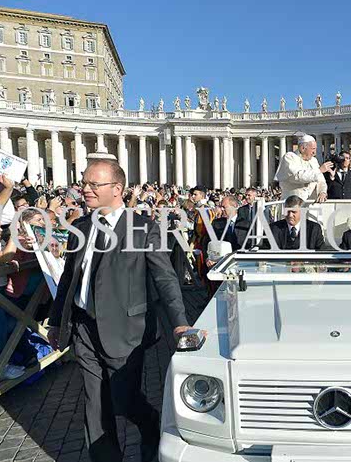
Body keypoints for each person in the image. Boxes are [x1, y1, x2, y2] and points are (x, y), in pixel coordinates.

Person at [47, 159, 191, 462]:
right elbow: (68, 279)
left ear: (117, 189)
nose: (85, 190)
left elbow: (165, 278)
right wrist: (57, 321)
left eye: (93, 184)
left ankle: (151, 424)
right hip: (83, 328)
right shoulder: (80, 227)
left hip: (126, 331)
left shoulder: (144, 229)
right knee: (95, 403)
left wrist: (180, 322)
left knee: (124, 400)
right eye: (84, 183)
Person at [274, 134, 331, 202]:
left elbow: (321, 180)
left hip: (311, 204)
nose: (314, 152)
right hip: (292, 202)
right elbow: (297, 176)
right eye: (313, 149)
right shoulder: (289, 157)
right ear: (303, 148)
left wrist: (322, 192)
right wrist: (319, 170)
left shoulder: (314, 161)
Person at [261, 195, 326, 250]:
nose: (290, 215)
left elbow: (321, 252)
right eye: (287, 211)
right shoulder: (272, 229)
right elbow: (265, 253)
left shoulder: (314, 229)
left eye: (294, 212)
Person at [202, 195, 242, 264]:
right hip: (219, 263)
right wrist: (208, 258)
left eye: (224, 207)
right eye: (221, 207)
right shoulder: (216, 223)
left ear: (234, 206)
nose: (222, 209)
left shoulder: (245, 224)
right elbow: (206, 242)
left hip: (239, 263)